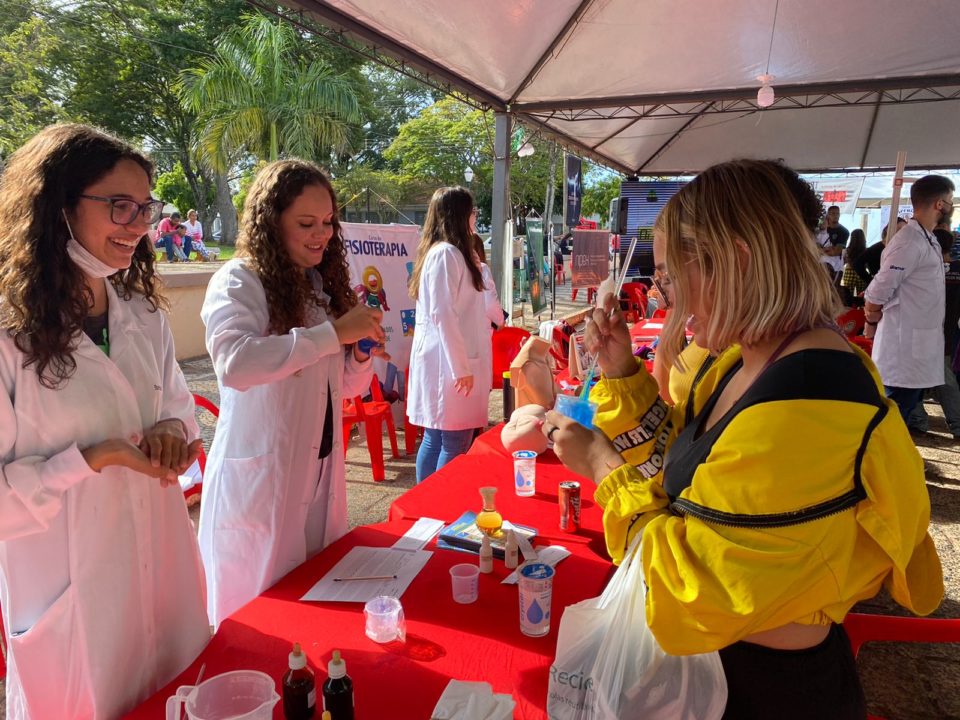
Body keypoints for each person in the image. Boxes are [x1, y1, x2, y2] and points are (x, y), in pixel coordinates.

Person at [543, 159, 942, 719]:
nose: (668, 303)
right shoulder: (741, 359)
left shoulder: (810, 403)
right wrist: (621, 377)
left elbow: (695, 586)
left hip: (767, 688)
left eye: (671, 279)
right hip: (712, 670)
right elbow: (683, 467)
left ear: (738, 261)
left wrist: (603, 466)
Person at [0, 124, 209, 718]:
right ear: (57, 206)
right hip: (73, 602)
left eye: (146, 207)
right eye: (120, 205)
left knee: (175, 696)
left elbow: (175, 407)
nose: (140, 224)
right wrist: (90, 459)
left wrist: (173, 431)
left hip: (162, 576)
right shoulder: (7, 335)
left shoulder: (142, 313)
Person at [199, 159, 385, 629]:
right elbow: (236, 364)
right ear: (270, 221)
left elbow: (343, 388)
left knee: (311, 608)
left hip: (319, 468)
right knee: (256, 617)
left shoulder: (318, 285)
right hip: (263, 479)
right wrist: (332, 334)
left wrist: (359, 354)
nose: (321, 234)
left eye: (327, 223)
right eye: (306, 223)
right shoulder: (239, 280)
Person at [407, 187, 492, 482]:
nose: (475, 217)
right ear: (459, 215)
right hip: (449, 364)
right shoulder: (446, 254)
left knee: (437, 436)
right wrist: (461, 368)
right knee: (453, 441)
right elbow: (443, 314)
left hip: (448, 362)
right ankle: (436, 506)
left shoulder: (449, 253)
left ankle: (424, 507)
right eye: (472, 211)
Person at [864, 175, 955, 423]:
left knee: (901, 415)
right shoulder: (909, 241)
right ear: (939, 204)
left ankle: (895, 459)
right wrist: (871, 320)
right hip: (903, 350)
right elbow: (878, 290)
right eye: (949, 201)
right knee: (890, 418)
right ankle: (883, 461)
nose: (951, 206)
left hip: (918, 345)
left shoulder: (928, 238)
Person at [906, 228, 960, 438]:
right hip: (945, 335)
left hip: (918, 332)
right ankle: (957, 424)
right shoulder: (956, 269)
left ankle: (918, 420)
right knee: (946, 380)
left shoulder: (923, 268)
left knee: (912, 379)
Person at [854, 217, 906, 284]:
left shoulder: (904, 248)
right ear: (890, 231)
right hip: (880, 286)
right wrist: (870, 280)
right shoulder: (878, 248)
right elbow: (858, 263)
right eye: (899, 230)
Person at [816, 204, 849, 284]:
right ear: (828, 215)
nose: (836, 216)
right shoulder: (821, 230)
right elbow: (813, 247)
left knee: (834, 290)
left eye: (837, 213)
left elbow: (835, 252)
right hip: (820, 265)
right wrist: (827, 249)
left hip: (836, 267)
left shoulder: (844, 231)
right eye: (833, 213)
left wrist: (819, 250)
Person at [840, 228, 868, 305]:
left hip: (849, 272)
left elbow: (842, 263)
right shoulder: (866, 251)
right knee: (862, 297)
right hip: (862, 273)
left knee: (847, 297)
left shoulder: (846, 250)